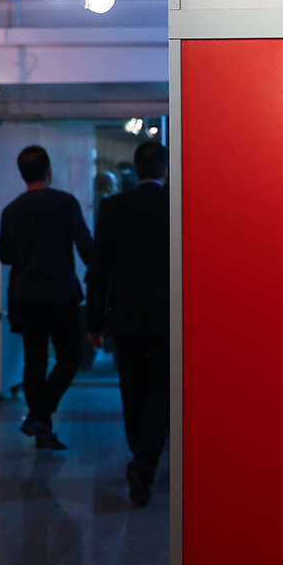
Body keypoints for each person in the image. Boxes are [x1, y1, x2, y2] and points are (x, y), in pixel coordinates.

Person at [87, 142, 170, 506]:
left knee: (131, 389)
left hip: (125, 315)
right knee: (163, 389)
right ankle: (143, 463)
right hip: (168, 315)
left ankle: (141, 462)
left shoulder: (114, 207)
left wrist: (94, 320)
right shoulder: (177, 205)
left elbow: (99, 268)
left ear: (136, 170)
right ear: (165, 170)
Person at [0, 146, 93, 450]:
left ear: (22, 174)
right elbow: (85, 245)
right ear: (49, 171)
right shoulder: (65, 202)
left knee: (34, 359)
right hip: (59, 293)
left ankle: (42, 426)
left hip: (25, 295)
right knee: (70, 357)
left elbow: (6, 256)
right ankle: (40, 417)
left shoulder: (11, 210)